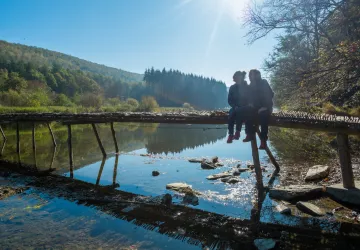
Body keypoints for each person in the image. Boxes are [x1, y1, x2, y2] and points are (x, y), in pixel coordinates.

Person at [242, 69, 274, 149]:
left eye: (252, 75)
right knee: (246, 113)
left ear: (257, 75)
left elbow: (270, 94)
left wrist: (265, 107)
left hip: (266, 107)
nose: (250, 77)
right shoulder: (250, 86)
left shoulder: (264, 83)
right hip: (255, 108)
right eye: (250, 75)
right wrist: (250, 103)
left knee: (263, 117)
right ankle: (249, 134)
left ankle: (263, 141)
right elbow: (248, 98)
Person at [227, 71, 248, 143]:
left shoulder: (247, 87)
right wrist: (234, 106)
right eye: (234, 78)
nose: (234, 79)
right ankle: (230, 134)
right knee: (231, 116)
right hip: (235, 107)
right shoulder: (232, 88)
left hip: (244, 107)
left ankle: (237, 132)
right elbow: (230, 100)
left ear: (240, 77)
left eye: (235, 77)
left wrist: (243, 106)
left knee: (239, 113)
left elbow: (249, 98)